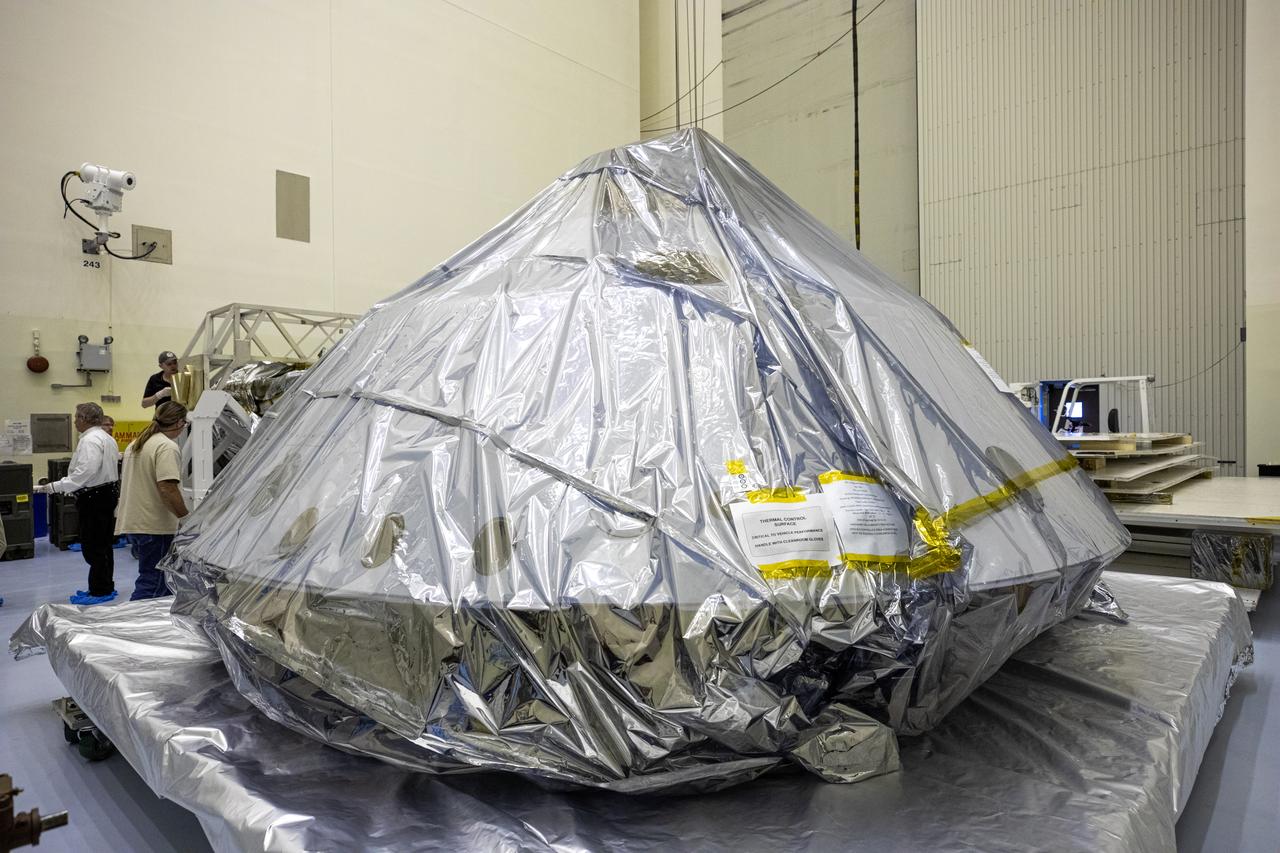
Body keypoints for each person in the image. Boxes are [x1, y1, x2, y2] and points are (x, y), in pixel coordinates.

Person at [34, 402, 120, 605]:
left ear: (85, 419)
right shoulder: (106, 438)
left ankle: (100, 590)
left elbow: (85, 472)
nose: (74, 421)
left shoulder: (90, 440)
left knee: (93, 546)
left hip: (94, 497)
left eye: (76, 417)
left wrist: (55, 486)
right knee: (104, 544)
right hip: (106, 494)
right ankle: (103, 585)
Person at [116, 401, 189, 600]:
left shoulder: (138, 442)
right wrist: (186, 519)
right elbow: (167, 488)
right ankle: (137, 625)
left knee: (156, 580)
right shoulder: (166, 447)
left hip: (136, 523)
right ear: (179, 422)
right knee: (153, 584)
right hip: (156, 526)